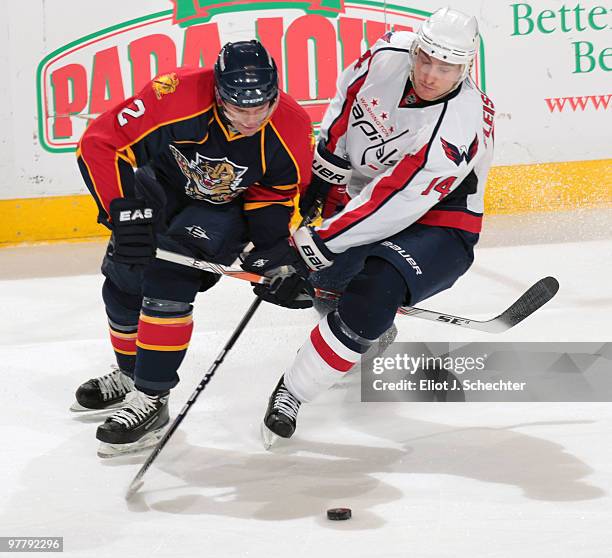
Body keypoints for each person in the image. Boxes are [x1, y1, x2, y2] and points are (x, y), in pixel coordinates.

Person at [260, 8, 496, 443]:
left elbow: (393, 205)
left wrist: (311, 244)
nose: (429, 74)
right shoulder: (389, 51)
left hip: (440, 223)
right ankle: (364, 330)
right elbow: (348, 100)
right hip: (366, 192)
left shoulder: (455, 130)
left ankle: (292, 391)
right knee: (325, 283)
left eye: (445, 67)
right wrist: (325, 173)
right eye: (425, 58)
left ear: (466, 67)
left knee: (375, 288)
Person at [72, 40, 314, 456]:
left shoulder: (291, 125)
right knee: (122, 280)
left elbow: (274, 192)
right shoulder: (174, 94)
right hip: (161, 187)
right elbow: (99, 143)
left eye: (262, 107)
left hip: (224, 210)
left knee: (169, 277)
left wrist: (272, 251)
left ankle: (151, 397)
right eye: (240, 108)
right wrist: (123, 214)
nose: (252, 118)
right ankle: (131, 375)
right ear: (219, 95)